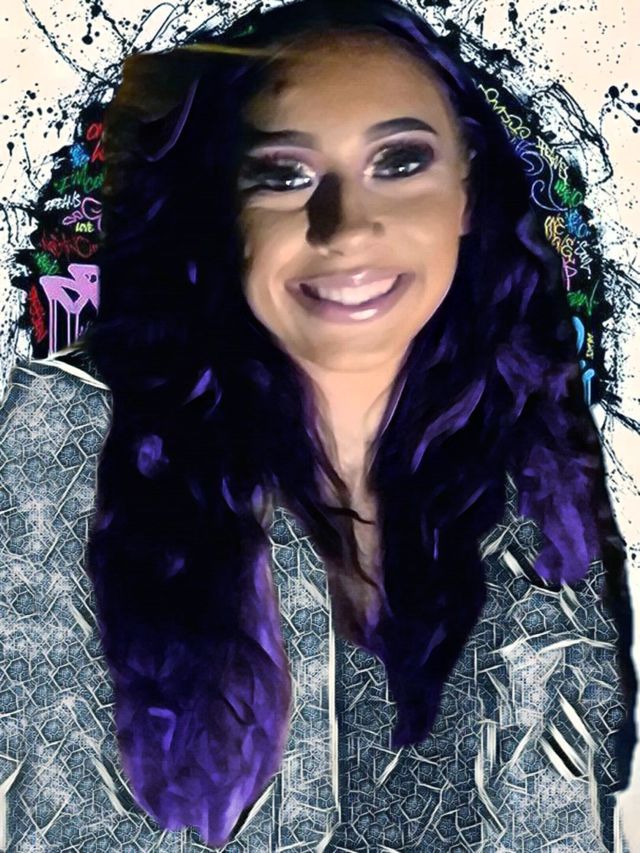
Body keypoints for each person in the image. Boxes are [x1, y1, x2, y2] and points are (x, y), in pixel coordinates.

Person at [0, 0, 635, 849]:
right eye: (284, 174)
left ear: (469, 189)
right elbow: (62, 817)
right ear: (221, 204)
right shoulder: (64, 440)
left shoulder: (536, 461)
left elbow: (566, 818)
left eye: (399, 161)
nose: (344, 227)